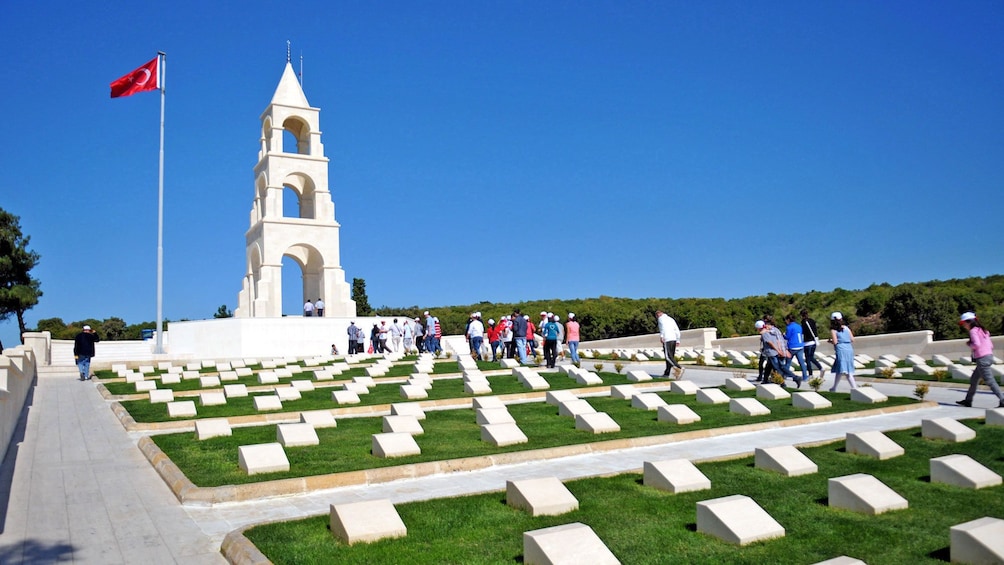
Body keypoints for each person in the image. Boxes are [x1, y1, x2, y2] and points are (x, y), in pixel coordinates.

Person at [956, 312, 1004, 408]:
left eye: (963, 323)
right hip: (988, 356)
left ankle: (1002, 399)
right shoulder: (984, 331)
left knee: (990, 381)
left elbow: (977, 344)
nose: (963, 326)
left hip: (982, 358)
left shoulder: (973, 331)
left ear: (969, 322)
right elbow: (991, 345)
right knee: (974, 379)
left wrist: (970, 345)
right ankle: (968, 400)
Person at [762, 315, 801, 387]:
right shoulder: (776, 330)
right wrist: (784, 350)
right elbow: (781, 340)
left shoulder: (767, 332)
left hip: (773, 352)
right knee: (769, 366)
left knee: (779, 368)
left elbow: (771, 342)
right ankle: (765, 380)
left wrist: (780, 351)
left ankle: (790, 380)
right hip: (778, 351)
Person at [827, 312, 857, 391]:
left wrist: (830, 341)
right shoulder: (846, 328)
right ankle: (834, 387)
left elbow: (835, 341)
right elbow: (852, 339)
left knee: (844, 370)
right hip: (849, 349)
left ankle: (854, 388)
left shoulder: (833, 330)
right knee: (842, 369)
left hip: (841, 349)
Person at [656, 310, 682, 377]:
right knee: (671, 356)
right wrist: (678, 339)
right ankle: (667, 372)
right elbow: (676, 329)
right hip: (674, 339)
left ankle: (679, 368)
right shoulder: (671, 319)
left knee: (668, 357)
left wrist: (662, 336)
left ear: (658, 314)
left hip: (667, 339)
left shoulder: (660, 319)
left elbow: (662, 328)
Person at [800, 309, 824, 377]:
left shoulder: (803, 322)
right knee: (811, 357)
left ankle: (810, 374)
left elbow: (803, 333)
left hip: (807, 342)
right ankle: (820, 368)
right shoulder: (812, 321)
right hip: (814, 342)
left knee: (808, 359)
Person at [784, 314, 808, 383]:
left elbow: (787, 337)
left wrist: (783, 335)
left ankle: (785, 375)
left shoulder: (789, 327)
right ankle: (805, 376)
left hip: (792, 346)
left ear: (788, 320)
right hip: (800, 346)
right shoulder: (799, 326)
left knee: (788, 362)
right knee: (802, 362)